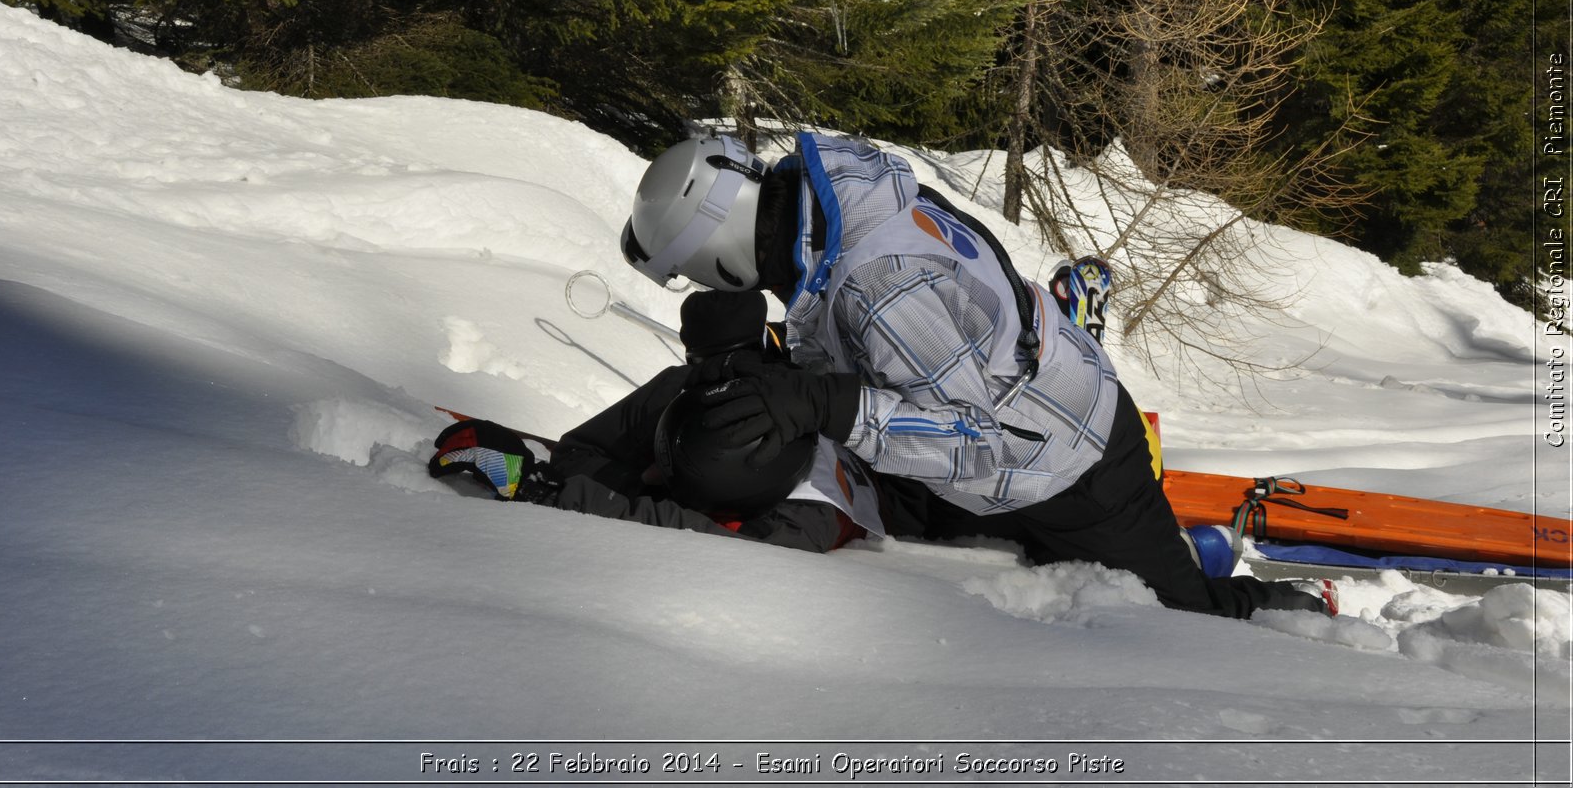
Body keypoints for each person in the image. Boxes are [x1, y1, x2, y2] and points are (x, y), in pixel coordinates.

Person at [620, 132, 1334, 618]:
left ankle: (1298, 603)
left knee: (1180, 618)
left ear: (718, 251)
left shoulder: (880, 283)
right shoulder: (821, 207)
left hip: (1070, 458)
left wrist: (821, 399)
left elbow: (978, 444)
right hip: (1002, 426)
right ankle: (1167, 546)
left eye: (689, 273)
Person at [428, 289, 885, 554]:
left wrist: (536, 490)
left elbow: (685, 536)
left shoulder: (803, 521)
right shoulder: (770, 403)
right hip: (768, 392)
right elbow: (578, 453)